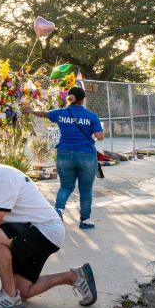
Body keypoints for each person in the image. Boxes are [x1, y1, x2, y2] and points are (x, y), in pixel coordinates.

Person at [0, 150, 97, 308]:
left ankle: (8, 296)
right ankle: (75, 276)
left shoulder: (3, 177)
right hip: (31, 231)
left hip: (45, 230)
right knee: (23, 291)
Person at [31, 86, 104, 229]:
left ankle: (58, 210)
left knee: (65, 186)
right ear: (83, 100)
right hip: (86, 156)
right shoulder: (91, 116)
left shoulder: (60, 113)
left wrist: (30, 110)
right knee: (85, 189)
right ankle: (85, 220)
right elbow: (99, 137)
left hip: (64, 155)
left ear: (70, 98)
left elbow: (44, 114)